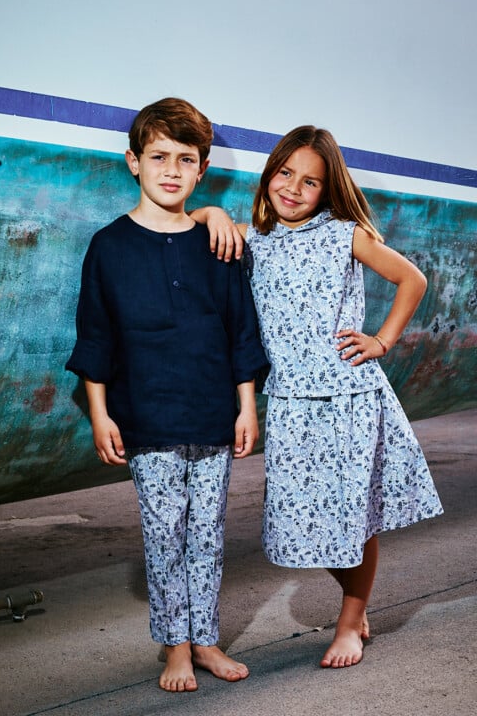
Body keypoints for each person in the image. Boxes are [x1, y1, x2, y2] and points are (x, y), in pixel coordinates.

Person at [194, 125, 443, 668]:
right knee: (303, 522)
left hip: (348, 398)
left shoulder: (344, 234)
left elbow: (413, 281)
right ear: (269, 174)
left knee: (352, 520)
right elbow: (185, 224)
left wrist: (381, 341)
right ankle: (356, 600)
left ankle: (351, 622)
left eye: (310, 182)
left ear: (327, 190)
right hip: (290, 403)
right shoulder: (252, 240)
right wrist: (211, 212)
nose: (293, 188)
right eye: (285, 173)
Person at [65, 97, 268, 692]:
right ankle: (175, 647)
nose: (172, 170)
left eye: (185, 159)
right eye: (159, 157)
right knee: (164, 535)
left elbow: (241, 329)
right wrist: (100, 415)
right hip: (147, 418)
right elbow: (95, 335)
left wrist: (247, 406)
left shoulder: (219, 244)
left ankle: (205, 641)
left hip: (213, 414)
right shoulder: (109, 246)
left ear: (202, 169)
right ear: (134, 162)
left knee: (207, 535)